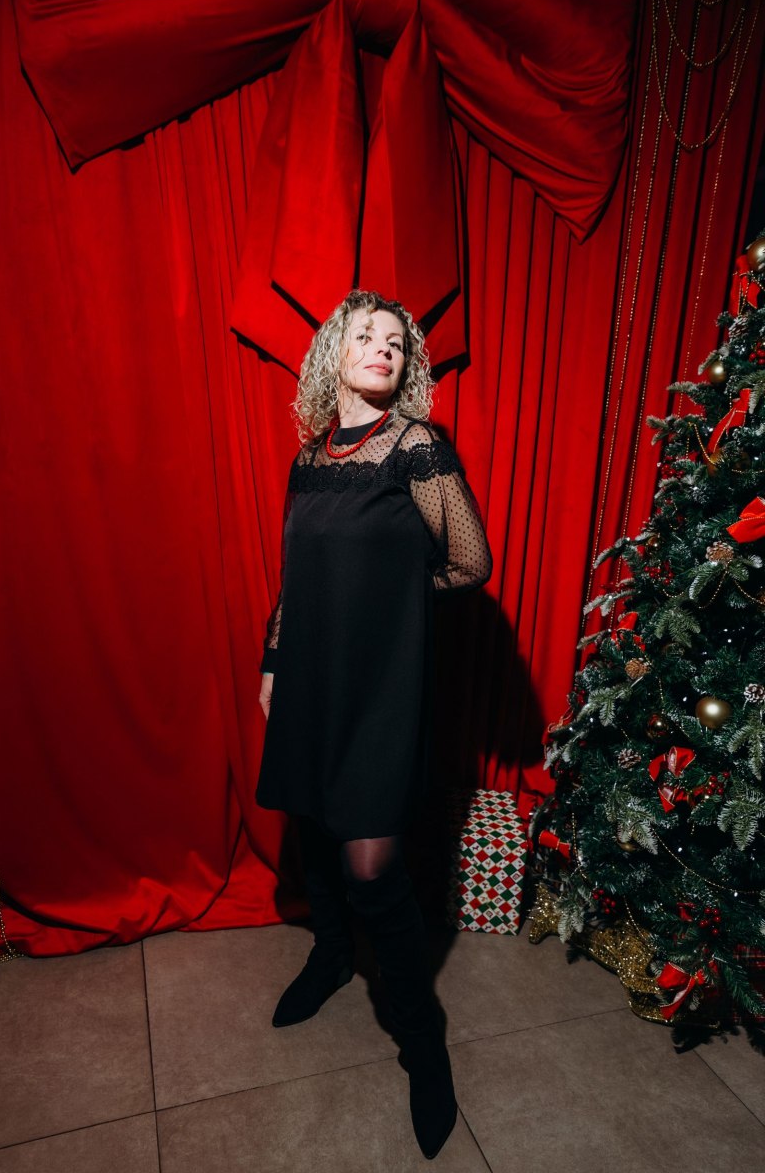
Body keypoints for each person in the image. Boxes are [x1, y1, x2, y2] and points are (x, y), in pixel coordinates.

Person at [256, 289, 492, 1160]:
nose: (384, 349)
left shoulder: (417, 447)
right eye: (367, 336)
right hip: (309, 678)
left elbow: (470, 561)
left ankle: (423, 1047)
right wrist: (274, 661)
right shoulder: (310, 458)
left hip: (381, 687)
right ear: (336, 354)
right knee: (315, 825)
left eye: (396, 342)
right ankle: (328, 958)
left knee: (373, 865)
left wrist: (392, 605)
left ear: (406, 365)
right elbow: (296, 576)